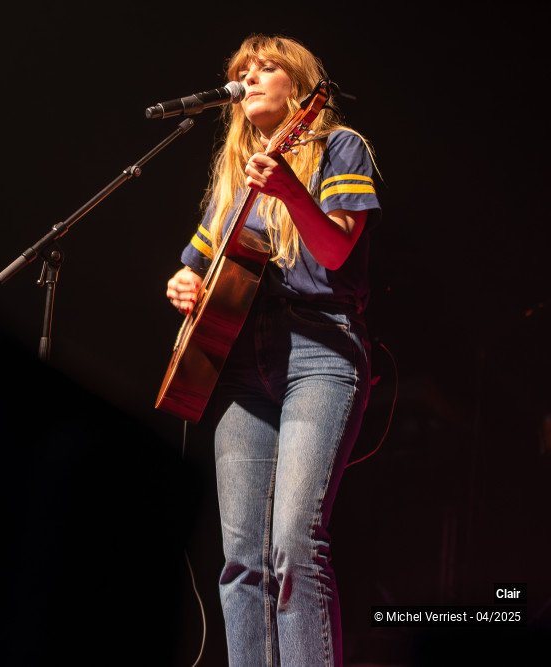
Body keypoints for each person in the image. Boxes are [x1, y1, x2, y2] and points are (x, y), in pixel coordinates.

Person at [165, 34, 380, 666]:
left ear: (302, 87)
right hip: (240, 365)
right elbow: (200, 271)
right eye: (242, 72)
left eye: (267, 68)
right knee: (241, 558)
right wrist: (184, 284)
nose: (250, 78)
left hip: (319, 353)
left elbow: (337, 250)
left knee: (294, 539)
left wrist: (290, 190)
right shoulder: (232, 181)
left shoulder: (338, 146)